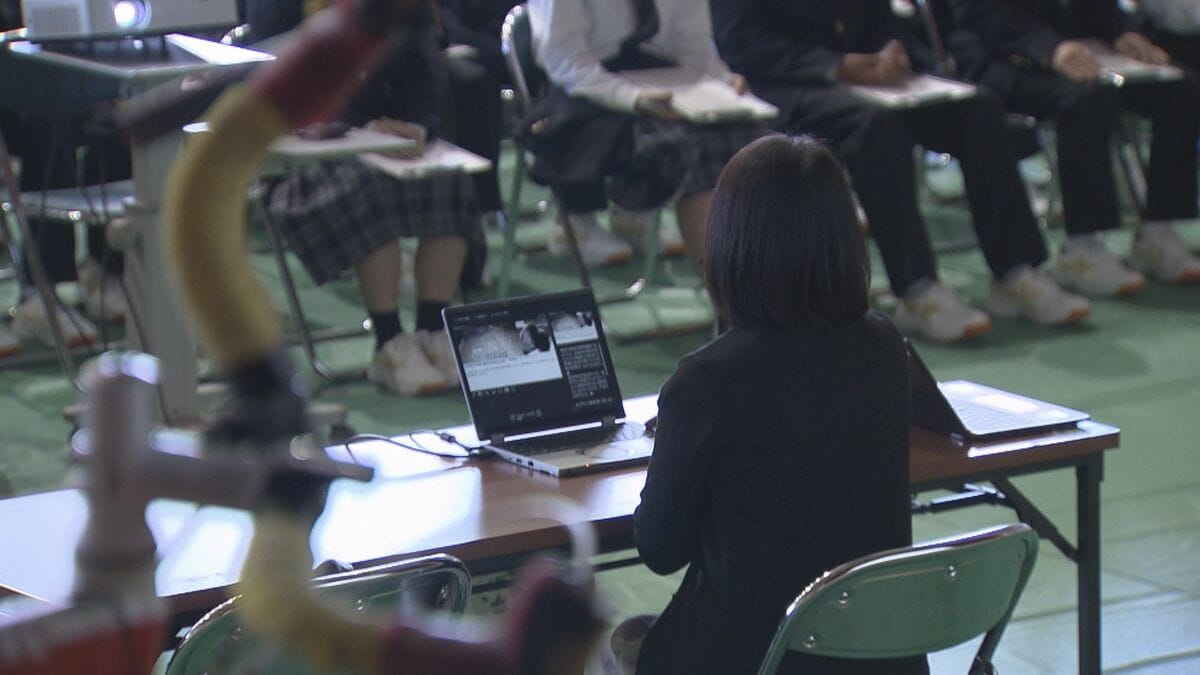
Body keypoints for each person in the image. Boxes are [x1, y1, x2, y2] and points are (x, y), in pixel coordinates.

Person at [629, 135, 926, 675]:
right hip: (876, 656)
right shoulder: (885, 346)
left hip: (754, 657)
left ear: (730, 243)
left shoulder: (707, 379)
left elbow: (659, 549)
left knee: (611, 645)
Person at [709, 0, 1090, 343]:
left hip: (867, 79)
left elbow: (886, 21)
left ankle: (1015, 271)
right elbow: (740, 43)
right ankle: (917, 289)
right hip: (785, 86)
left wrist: (893, 52)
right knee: (877, 127)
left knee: (979, 109)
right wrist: (834, 66)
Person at [258, 13, 483, 397]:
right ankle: (388, 341)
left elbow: (424, 77)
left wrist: (412, 129)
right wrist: (357, 129)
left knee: (450, 182)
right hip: (306, 158)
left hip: (381, 144)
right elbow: (272, 72)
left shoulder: (404, 13)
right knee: (370, 190)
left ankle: (432, 330)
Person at [951, 0, 1200, 294]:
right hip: (999, 56)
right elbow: (981, 13)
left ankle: (1159, 231)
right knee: (1087, 98)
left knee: (1180, 86)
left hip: (1077, 49)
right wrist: (1049, 47)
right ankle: (1082, 248)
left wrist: (1120, 32)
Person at [522, 0, 764, 269]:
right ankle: (722, 282)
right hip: (584, 92)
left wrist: (720, 79)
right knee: (687, 145)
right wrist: (632, 98)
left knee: (744, 132)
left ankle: (745, 276)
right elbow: (562, 58)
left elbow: (692, 42)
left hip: (658, 79)